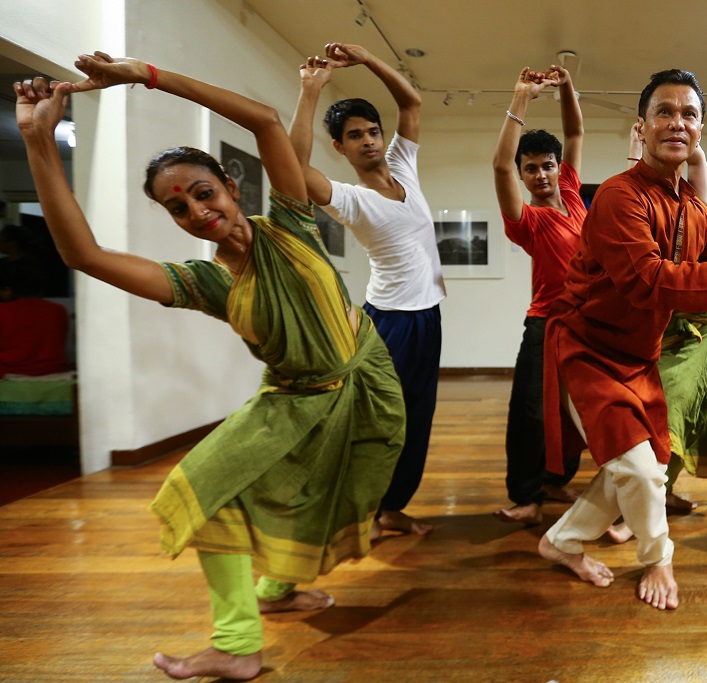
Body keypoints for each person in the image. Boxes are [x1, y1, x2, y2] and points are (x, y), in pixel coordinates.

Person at [15, 52, 405, 680]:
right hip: (293, 395)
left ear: (231, 188)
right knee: (206, 489)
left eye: (204, 193)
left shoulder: (291, 224)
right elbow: (83, 254)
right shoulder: (205, 283)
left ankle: (278, 590)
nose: (198, 211)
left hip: (366, 384)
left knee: (320, 491)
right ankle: (237, 643)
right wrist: (38, 141)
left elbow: (267, 123)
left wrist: (146, 75)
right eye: (179, 208)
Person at [537, 69, 707, 610]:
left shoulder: (693, 209)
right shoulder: (617, 196)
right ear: (643, 126)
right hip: (590, 351)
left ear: (700, 130)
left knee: (639, 466)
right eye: (664, 112)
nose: (676, 122)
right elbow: (647, 281)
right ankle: (658, 559)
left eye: (689, 114)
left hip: (638, 356)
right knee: (636, 467)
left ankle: (559, 542)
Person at [289, 43, 445, 537]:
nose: (369, 141)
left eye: (372, 131)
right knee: (381, 419)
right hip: (390, 321)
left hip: (429, 314)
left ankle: (392, 507)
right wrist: (309, 91)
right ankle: (362, 510)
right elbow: (291, 169)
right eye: (354, 136)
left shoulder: (403, 166)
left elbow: (412, 104)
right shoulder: (349, 198)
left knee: (418, 419)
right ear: (339, 147)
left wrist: (366, 57)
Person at [607, 124, 707, 543]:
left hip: (700, 334)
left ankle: (657, 499)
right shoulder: (637, 203)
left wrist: (678, 141)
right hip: (666, 334)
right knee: (657, 423)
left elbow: (696, 160)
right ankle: (637, 509)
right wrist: (639, 149)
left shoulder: (697, 209)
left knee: (678, 422)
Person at [491, 65, 586, 525]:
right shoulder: (524, 219)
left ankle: (556, 479)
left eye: (547, 164)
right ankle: (526, 496)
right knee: (529, 410)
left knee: (572, 411)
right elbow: (497, 164)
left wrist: (567, 86)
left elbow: (575, 131)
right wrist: (522, 97)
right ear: (524, 177)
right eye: (531, 169)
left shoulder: (572, 191)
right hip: (545, 323)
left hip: (587, 323)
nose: (542, 173)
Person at [0, 258, 70, 378]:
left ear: (7, 290)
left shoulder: (3, 311)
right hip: (55, 381)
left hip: (8, 382)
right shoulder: (57, 311)